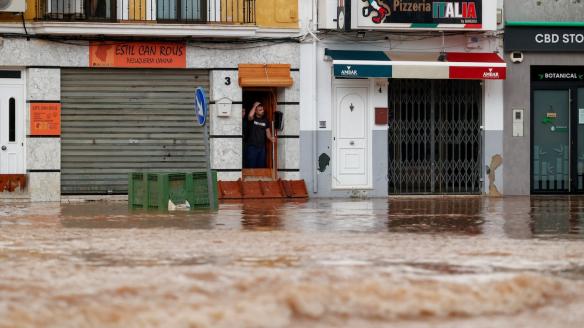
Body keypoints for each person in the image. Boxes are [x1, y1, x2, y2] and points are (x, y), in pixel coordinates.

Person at [245, 102, 275, 168]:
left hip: (261, 147)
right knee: (251, 166)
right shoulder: (252, 119)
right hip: (252, 147)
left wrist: (271, 138)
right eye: (260, 110)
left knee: (261, 166)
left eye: (262, 109)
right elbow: (250, 116)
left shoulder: (265, 121)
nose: (262, 111)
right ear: (255, 111)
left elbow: (268, 133)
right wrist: (255, 106)